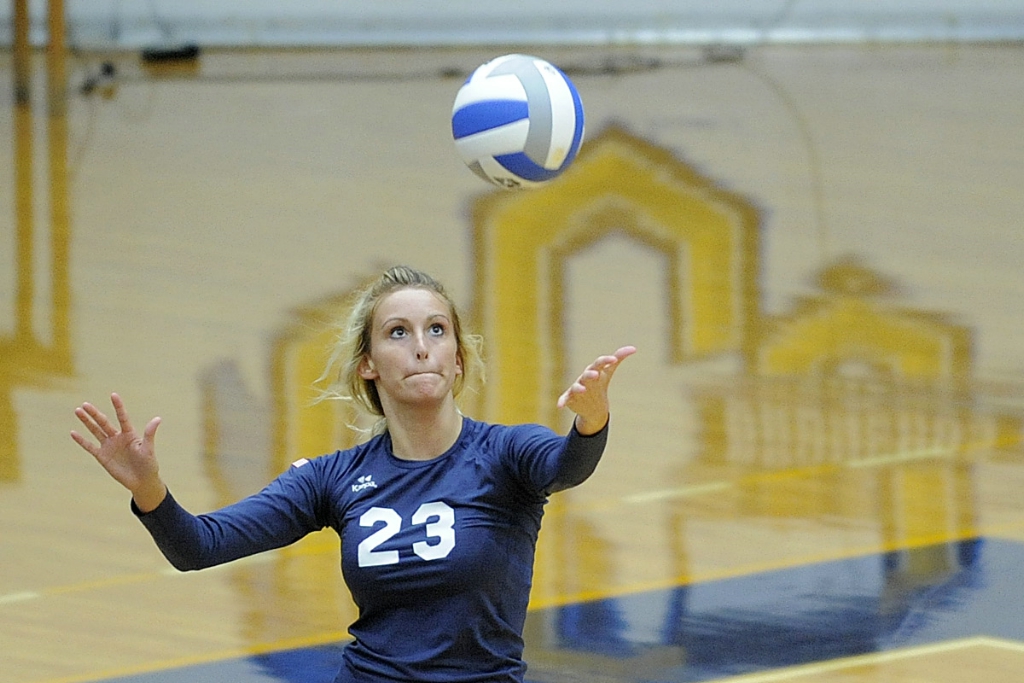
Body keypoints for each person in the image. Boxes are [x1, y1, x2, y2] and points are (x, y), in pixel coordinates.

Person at [71, 265, 635, 683]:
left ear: (458, 358)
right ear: (367, 364)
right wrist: (148, 486)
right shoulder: (332, 478)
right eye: (398, 333)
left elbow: (568, 467)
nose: (421, 348)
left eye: (437, 330)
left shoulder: (507, 453)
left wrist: (591, 422)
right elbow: (198, 546)